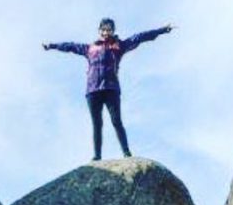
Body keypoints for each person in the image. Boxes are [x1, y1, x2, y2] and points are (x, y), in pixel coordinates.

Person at [43, 19, 173, 160]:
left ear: (113, 31)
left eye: (109, 29)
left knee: (116, 121)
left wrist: (162, 30)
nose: (106, 32)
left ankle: (126, 152)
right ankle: (97, 156)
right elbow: (70, 46)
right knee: (97, 124)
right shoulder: (89, 48)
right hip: (93, 90)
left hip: (111, 88)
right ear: (99, 30)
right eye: (103, 29)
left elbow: (140, 37)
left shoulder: (119, 46)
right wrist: (52, 45)